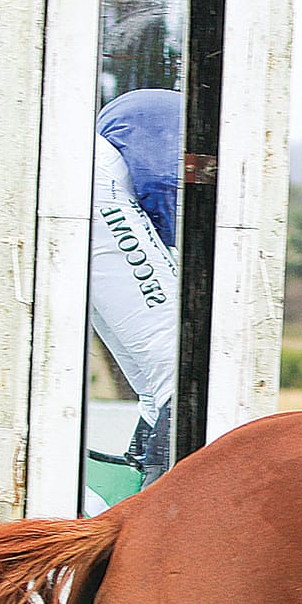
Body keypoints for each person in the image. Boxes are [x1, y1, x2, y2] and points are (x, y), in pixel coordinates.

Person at [85, 87, 182, 515]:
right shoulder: (227, 125)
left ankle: (134, 504)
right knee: (181, 376)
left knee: (156, 387)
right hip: (105, 187)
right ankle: (151, 531)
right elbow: (164, 195)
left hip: (98, 178)